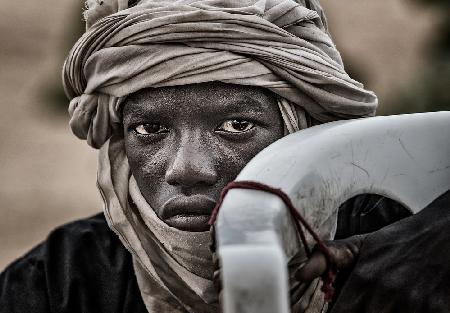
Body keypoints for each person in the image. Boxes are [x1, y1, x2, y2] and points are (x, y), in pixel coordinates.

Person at [1, 0, 449, 312]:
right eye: (150, 129)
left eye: (237, 126)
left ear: (302, 130)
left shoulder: (402, 245)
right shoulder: (55, 284)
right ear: (118, 146)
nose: (187, 169)